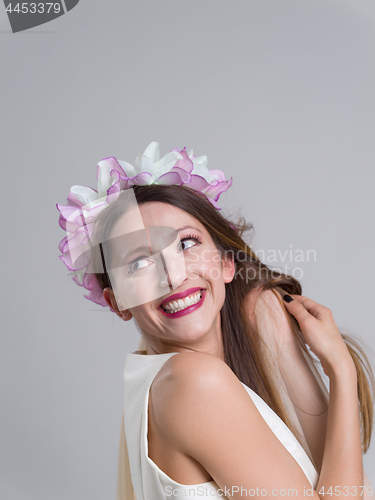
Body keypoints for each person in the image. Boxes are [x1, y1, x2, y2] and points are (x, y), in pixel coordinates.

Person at [57, 142, 374, 500]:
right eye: (138, 263)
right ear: (119, 304)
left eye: (186, 244)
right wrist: (341, 370)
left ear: (226, 263)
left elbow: (326, 478)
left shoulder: (159, 376)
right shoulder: (193, 383)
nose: (173, 276)